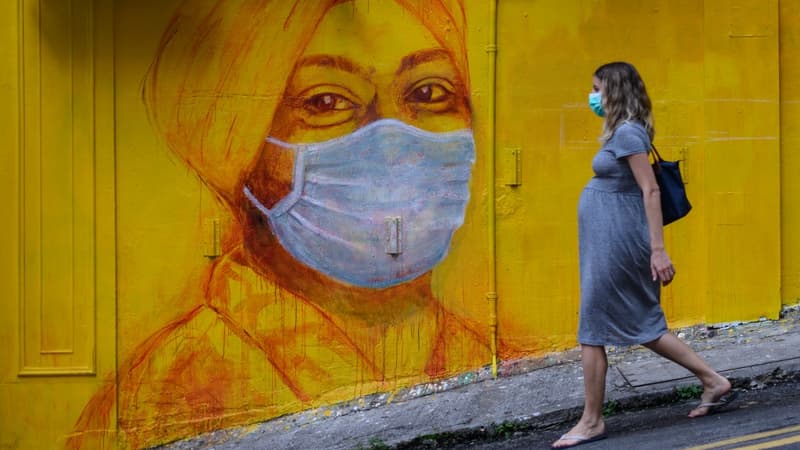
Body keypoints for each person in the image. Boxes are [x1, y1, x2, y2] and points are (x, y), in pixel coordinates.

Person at [67, 1, 492, 449]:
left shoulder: (471, 355)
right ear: (241, 148)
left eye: (429, 93)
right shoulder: (169, 392)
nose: (393, 137)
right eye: (326, 102)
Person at [551, 62, 734, 449]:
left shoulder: (629, 132)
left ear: (614, 90)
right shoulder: (624, 131)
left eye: (597, 88)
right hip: (609, 240)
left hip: (620, 243)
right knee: (640, 323)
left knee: (594, 327)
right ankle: (713, 381)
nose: (593, 96)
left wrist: (658, 250)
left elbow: (650, 191)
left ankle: (592, 421)